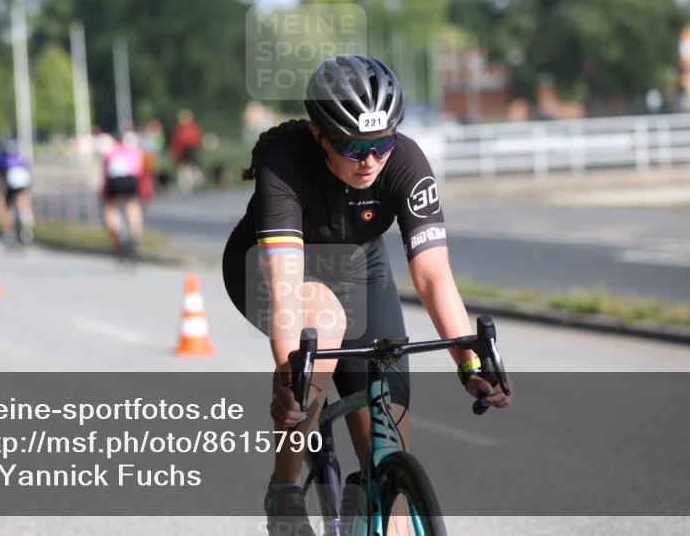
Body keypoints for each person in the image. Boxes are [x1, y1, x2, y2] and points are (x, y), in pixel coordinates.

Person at [221, 54, 511, 536]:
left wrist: (471, 364)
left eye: (381, 143)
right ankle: (286, 490)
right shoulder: (286, 163)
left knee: (388, 444)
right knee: (324, 325)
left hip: (359, 266)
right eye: (353, 147)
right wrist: (291, 375)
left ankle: (374, 498)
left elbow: (434, 276)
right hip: (269, 269)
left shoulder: (408, 161)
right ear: (319, 136)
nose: (371, 160)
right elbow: (286, 285)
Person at [101, 130, 145, 255]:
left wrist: (104, 193)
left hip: (115, 181)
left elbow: (105, 173)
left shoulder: (110, 153)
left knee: (111, 208)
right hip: (131, 179)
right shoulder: (133, 151)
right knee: (133, 206)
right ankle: (135, 235)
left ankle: (117, 234)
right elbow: (139, 170)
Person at [0, 140, 34, 243]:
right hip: (23, 184)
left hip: (11, 185)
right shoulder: (21, 158)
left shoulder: (3, 159)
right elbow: (28, 173)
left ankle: (9, 231)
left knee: (8, 207)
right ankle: (28, 227)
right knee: (24, 202)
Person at [170, 109, 204, 192]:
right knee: (185, 167)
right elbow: (176, 143)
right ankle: (188, 184)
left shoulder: (193, 128)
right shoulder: (179, 129)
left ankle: (194, 182)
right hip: (183, 151)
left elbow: (197, 139)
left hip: (191, 150)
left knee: (191, 167)